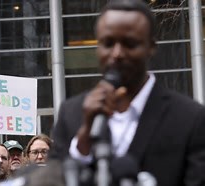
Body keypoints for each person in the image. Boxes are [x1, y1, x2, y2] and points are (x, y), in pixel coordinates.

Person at [50, 0, 205, 185]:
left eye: (129, 44)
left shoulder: (190, 118)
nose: (117, 53)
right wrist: (83, 142)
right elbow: (51, 178)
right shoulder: (72, 113)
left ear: (151, 47)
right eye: (108, 43)